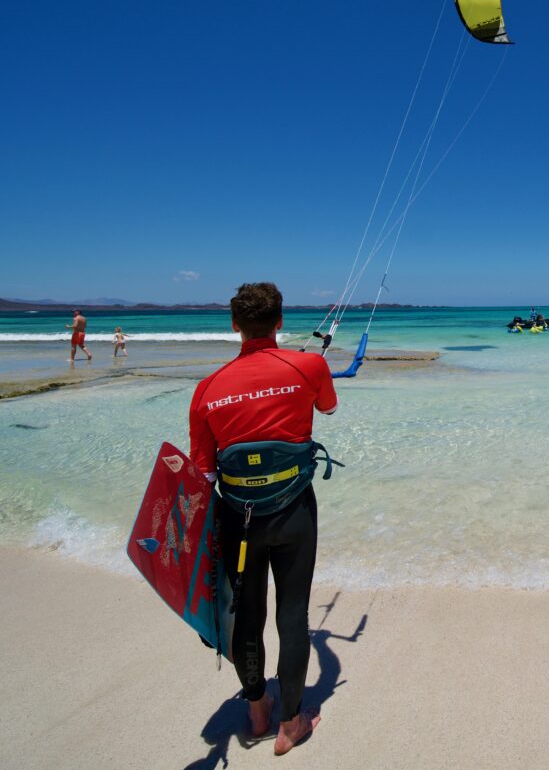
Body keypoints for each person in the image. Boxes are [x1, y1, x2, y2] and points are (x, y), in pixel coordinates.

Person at [188, 282, 337, 755]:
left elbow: (204, 473)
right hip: (294, 513)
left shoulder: (206, 390)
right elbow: (329, 406)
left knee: (246, 616)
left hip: (238, 522)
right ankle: (292, 724)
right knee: (292, 617)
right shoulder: (309, 364)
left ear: (234, 325)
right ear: (279, 321)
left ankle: (257, 711)